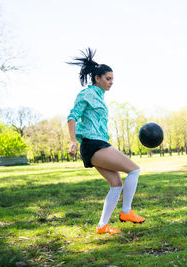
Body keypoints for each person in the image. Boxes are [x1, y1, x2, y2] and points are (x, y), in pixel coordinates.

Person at [67, 48, 145, 234]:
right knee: (134, 170)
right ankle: (126, 212)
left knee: (116, 185)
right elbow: (72, 116)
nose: (111, 82)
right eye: (108, 79)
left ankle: (102, 226)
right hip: (93, 144)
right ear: (97, 78)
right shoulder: (86, 94)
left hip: (98, 143)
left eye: (112, 79)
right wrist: (72, 140)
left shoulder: (100, 97)